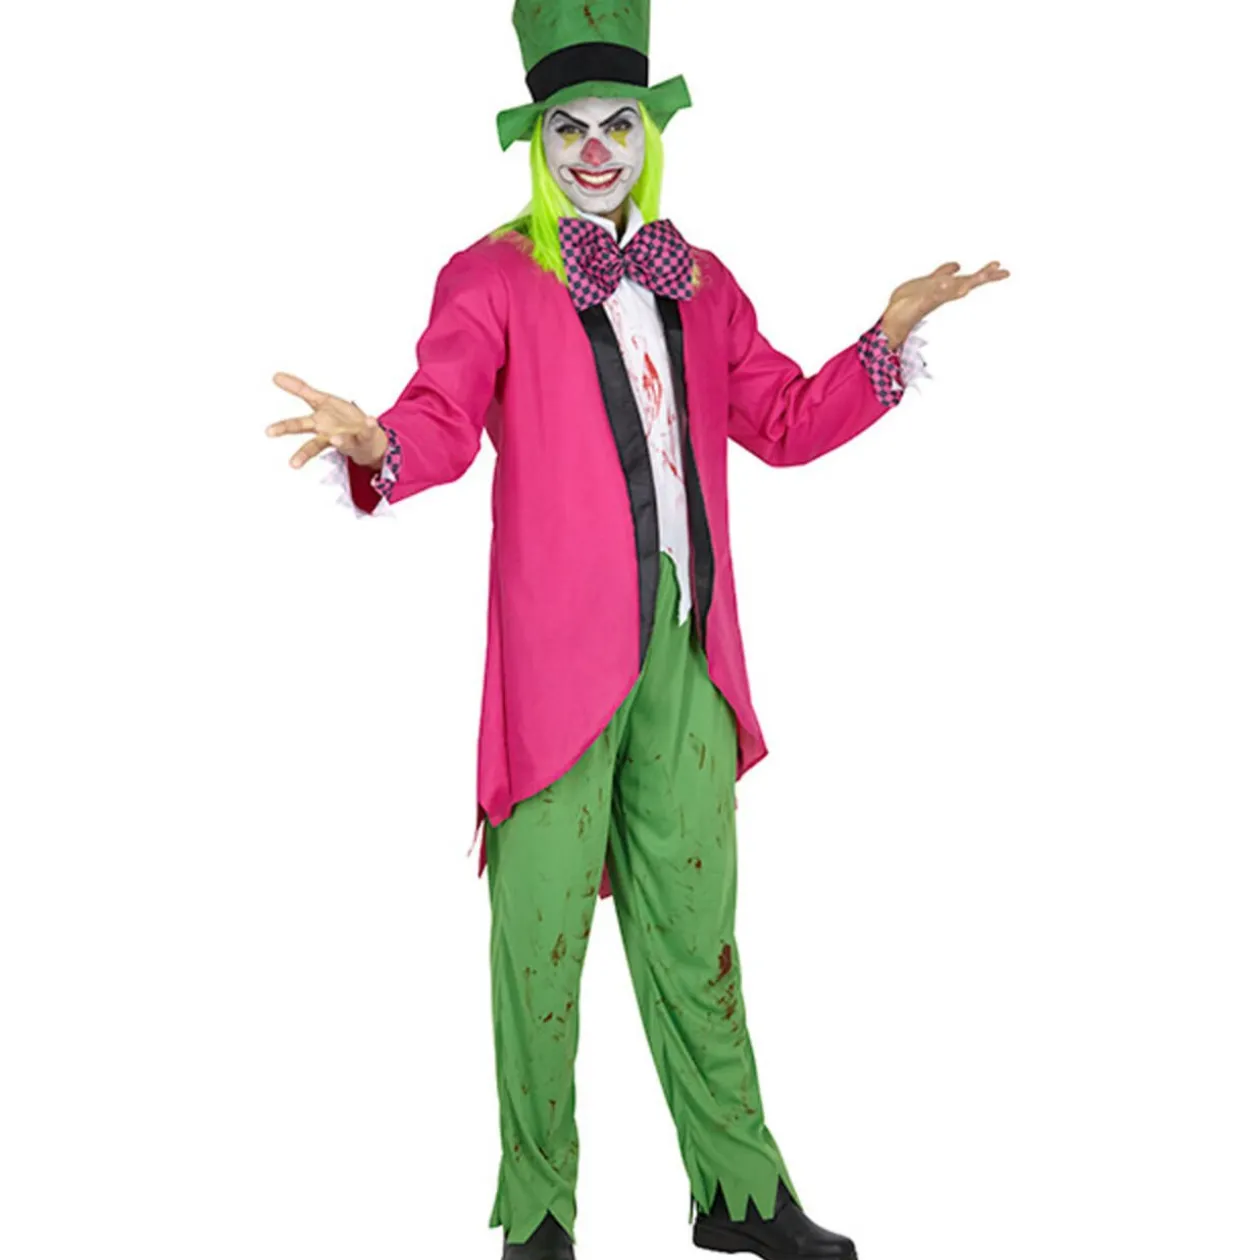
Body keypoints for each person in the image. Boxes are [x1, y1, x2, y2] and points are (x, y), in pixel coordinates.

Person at [265, 3, 1009, 1256]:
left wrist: (883, 340)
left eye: (620, 125)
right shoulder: (491, 278)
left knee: (699, 932)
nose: (598, 149)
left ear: (650, 135)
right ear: (537, 140)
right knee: (539, 939)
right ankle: (540, 1215)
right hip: (558, 666)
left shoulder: (699, 281)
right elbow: (442, 416)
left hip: (690, 652)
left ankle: (741, 1195)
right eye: (571, 128)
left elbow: (781, 421)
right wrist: (379, 441)